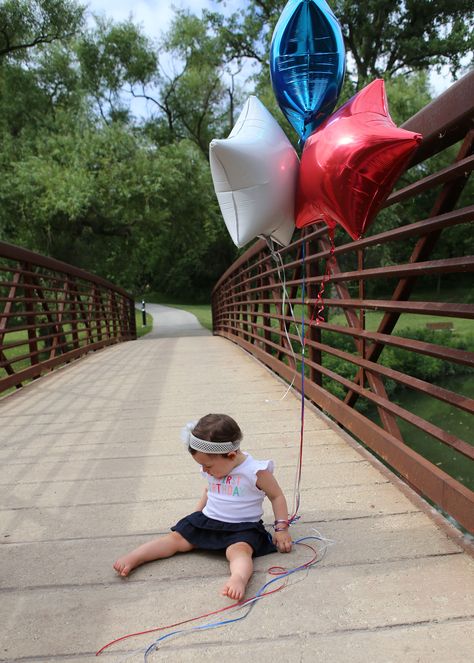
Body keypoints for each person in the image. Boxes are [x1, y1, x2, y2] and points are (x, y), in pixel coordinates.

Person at [113, 413, 293, 600]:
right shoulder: (214, 467)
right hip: (208, 520)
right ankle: (135, 557)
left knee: (239, 552)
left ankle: (238, 578)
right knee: (175, 539)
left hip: (242, 527)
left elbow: (276, 496)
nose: (205, 470)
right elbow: (209, 491)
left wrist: (281, 528)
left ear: (231, 455)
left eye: (207, 466)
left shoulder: (255, 471)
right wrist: (196, 515)